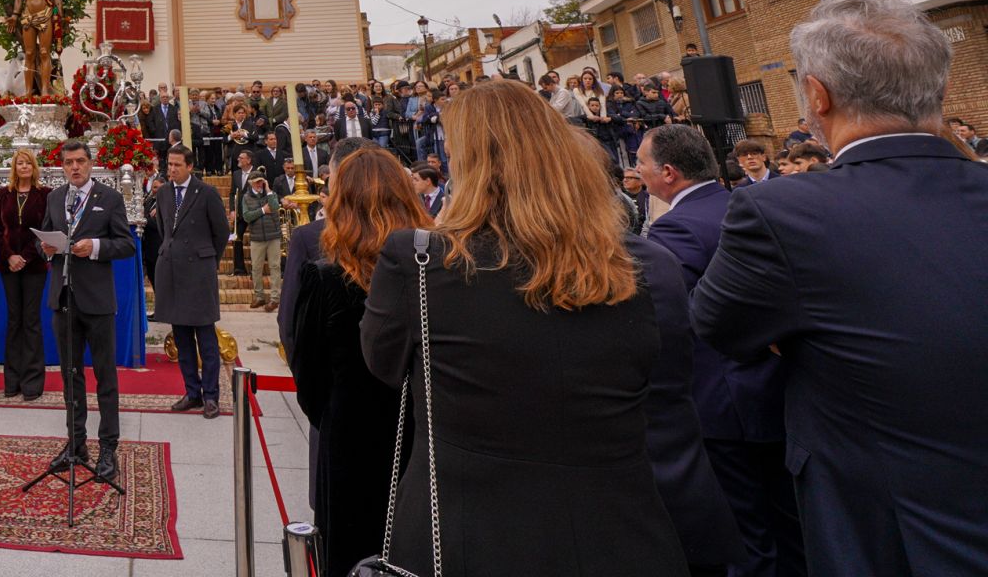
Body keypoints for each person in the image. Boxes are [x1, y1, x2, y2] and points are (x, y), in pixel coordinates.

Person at [691, 0, 988, 575]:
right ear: (942, 91)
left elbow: (718, 327)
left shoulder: (780, 213)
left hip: (891, 534)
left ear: (818, 96)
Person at [360, 81, 686, 577]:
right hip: (618, 529)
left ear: (470, 164)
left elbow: (382, 364)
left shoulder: (421, 260)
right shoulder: (638, 263)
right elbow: (659, 379)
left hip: (467, 530)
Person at [637, 125, 802, 577]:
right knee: (790, 526)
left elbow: (671, 320)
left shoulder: (677, 230)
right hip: (778, 391)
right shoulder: (748, 204)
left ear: (668, 173)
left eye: (642, 165)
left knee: (748, 535)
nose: (638, 173)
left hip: (724, 403)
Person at [290, 146, 433, 576]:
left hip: (349, 439)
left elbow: (307, 376)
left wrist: (336, 414)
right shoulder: (436, 269)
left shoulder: (325, 276)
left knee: (351, 556)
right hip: (422, 435)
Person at [41, 139, 136, 483]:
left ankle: (108, 446)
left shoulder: (108, 199)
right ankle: (76, 443)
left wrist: (94, 246)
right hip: (63, 299)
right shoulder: (55, 198)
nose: (75, 167)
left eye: (80, 161)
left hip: (96, 301)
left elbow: (126, 244)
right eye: (68, 162)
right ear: (63, 166)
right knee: (70, 374)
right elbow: (44, 241)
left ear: (90, 163)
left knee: (105, 377)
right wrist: (47, 249)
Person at [151, 145, 227, 419]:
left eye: (177, 165)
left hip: (199, 272)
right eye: (169, 164)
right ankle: (191, 392)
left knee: (206, 339)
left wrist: (206, 260)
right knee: (182, 339)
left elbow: (221, 232)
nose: (171, 169)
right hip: (171, 272)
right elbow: (163, 228)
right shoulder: (163, 193)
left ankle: (210, 396)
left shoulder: (206, 193)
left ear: (190, 166)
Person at [0, 148, 49, 399]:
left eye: (27, 163)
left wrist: (25, 256)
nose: (23, 167)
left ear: (33, 168)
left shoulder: (45, 195)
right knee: (14, 320)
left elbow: (45, 230)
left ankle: (33, 383)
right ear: (14, 168)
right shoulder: (5, 194)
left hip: (34, 265)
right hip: (8, 266)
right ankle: (12, 381)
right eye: (19, 163)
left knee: (32, 321)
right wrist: (10, 256)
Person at [236, 168, 284, 310]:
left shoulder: (271, 194)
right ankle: (260, 297)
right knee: (256, 269)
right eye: (256, 182)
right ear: (251, 183)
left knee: (275, 267)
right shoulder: (246, 198)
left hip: (273, 236)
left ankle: (275, 298)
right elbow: (246, 216)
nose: (259, 185)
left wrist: (269, 191)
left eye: (261, 182)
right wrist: (263, 210)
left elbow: (274, 207)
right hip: (257, 237)